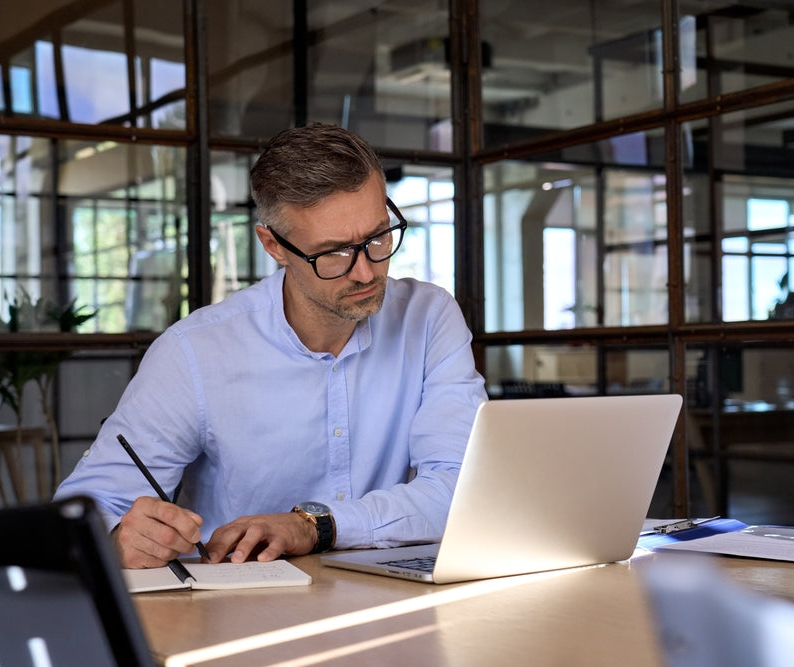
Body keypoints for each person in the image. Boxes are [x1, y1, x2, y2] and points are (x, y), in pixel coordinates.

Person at [54, 122, 487, 569]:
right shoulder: (195, 352)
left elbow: (464, 488)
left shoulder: (428, 317)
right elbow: (84, 510)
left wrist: (315, 526)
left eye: (377, 237)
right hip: (241, 599)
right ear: (273, 246)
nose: (365, 272)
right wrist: (117, 537)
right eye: (334, 253)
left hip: (397, 595)